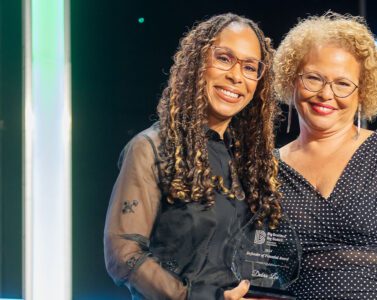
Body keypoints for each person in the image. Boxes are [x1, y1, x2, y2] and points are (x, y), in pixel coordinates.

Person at [104, 13, 283, 300]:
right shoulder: (152, 147)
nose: (236, 76)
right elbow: (123, 253)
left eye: (250, 67)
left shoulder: (255, 163)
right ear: (198, 63)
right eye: (224, 58)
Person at [273, 12, 377, 299]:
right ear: (292, 80)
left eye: (343, 83)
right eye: (313, 78)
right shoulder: (269, 167)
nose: (326, 94)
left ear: (363, 93)